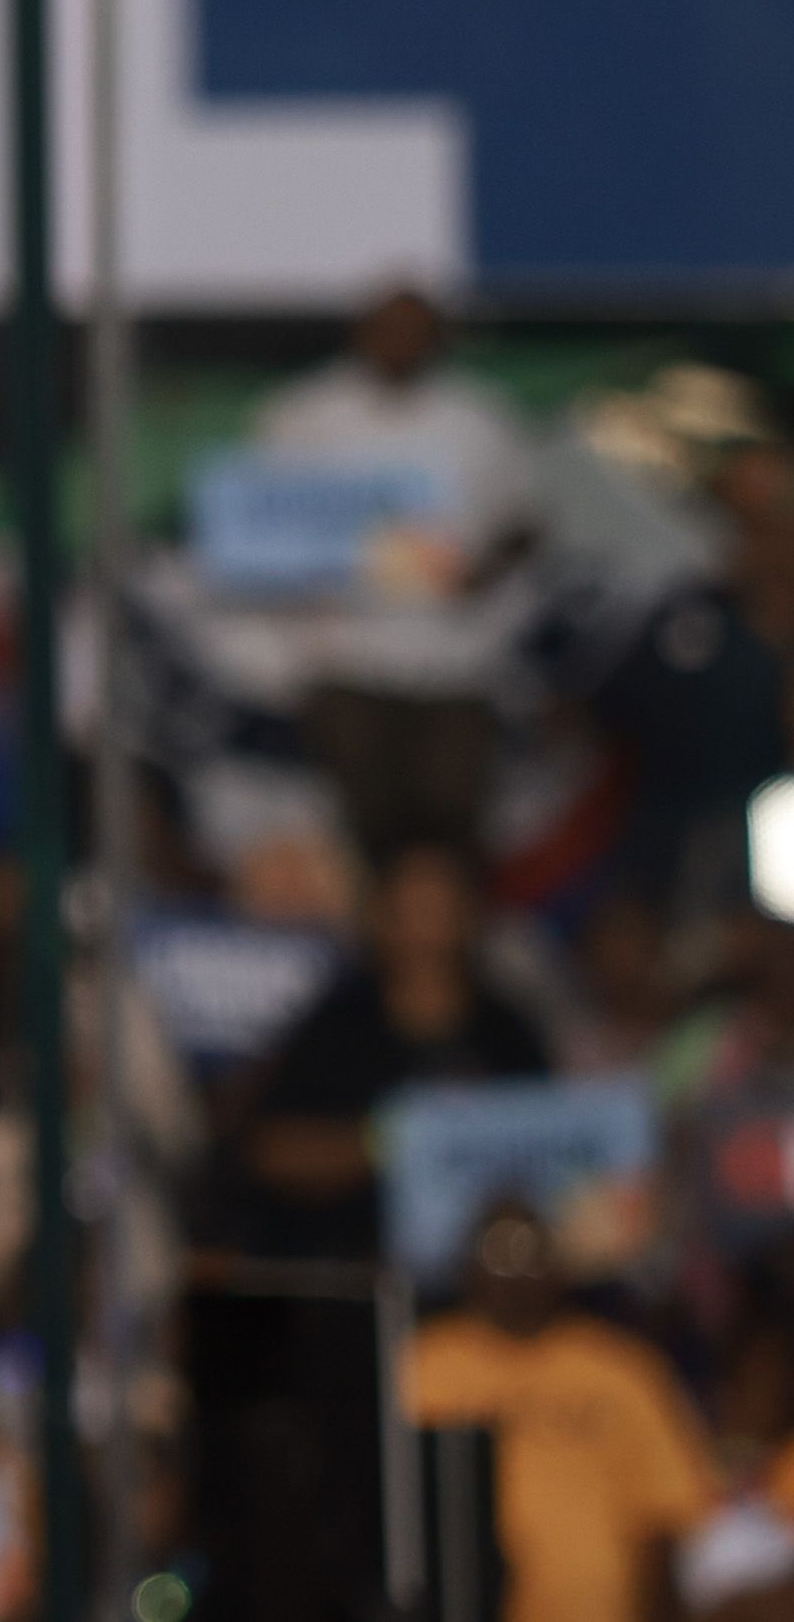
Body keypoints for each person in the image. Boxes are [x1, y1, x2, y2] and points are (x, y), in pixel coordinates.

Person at [248, 277, 540, 864]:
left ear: (438, 337)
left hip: (455, 661)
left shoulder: (481, 417)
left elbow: (526, 524)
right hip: (345, 658)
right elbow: (258, 522)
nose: (400, 342)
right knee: (359, 824)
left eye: (414, 330)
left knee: (455, 819)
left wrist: (483, 571)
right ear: (359, 333)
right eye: (387, 328)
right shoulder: (304, 415)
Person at [240, 831, 557, 1264]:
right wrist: (387, 1142)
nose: (425, 930)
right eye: (410, 911)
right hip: (355, 1277)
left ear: (473, 916)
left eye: (441, 909)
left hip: (482, 1294)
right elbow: (272, 1153)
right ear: (378, 917)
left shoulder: (510, 1033)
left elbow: (558, 1154)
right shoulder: (335, 1026)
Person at [405, 1196, 723, 1622]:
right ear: (466, 1266)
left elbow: (664, 1517)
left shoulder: (621, 1368)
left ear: (559, 1266)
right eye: (498, 1254)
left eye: (529, 1253)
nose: (514, 1273)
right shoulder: (420, 1365)